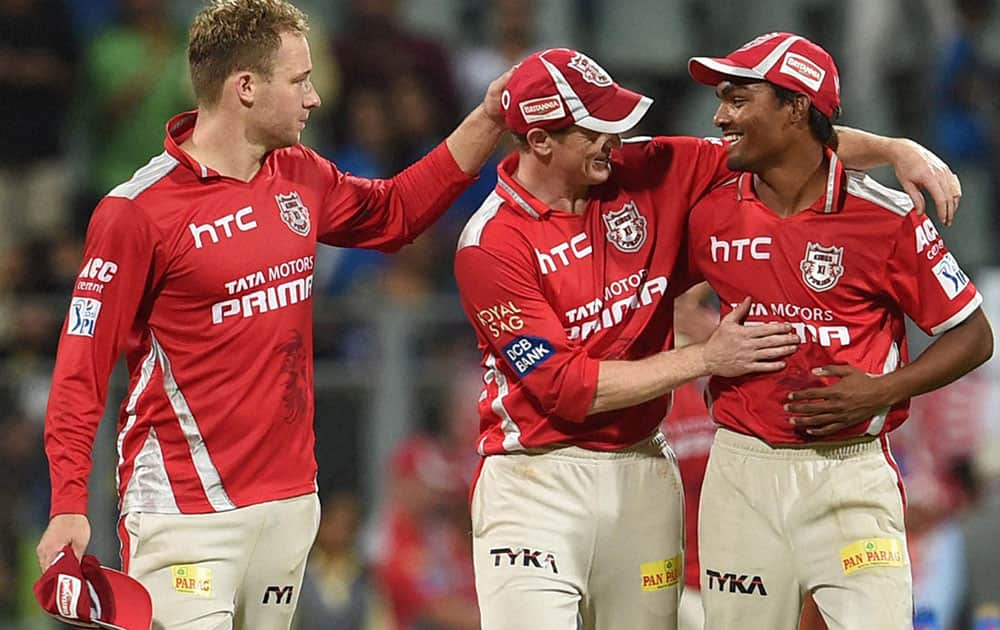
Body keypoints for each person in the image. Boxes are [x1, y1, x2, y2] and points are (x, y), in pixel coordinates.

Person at [34, 0, 511, 628]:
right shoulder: (135, 213)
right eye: (300, 80)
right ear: (246, 88)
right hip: (185, 511)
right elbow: (79, 370)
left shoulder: (299, 174)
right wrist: (69, 500)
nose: (315, 98)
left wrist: (486, 118)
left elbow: (394, 212)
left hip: (290, 506)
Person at [453, 46, 963, 630]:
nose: (616, 140)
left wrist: (898, 148)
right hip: (534, 482)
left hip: (642, 470)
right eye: (597, 129)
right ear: (541, 140)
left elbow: (789, 146)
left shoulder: (649, 170)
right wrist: (705, 357)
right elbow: (565, 388)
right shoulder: (488, 245)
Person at [684, 32, 994, 629]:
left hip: (851, 473)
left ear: (795, 107)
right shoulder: (707, 199)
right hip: (741, 471)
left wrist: (882, 389)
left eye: (738, 99)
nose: (720, 116)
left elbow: (975, 335)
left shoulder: (887, 216)